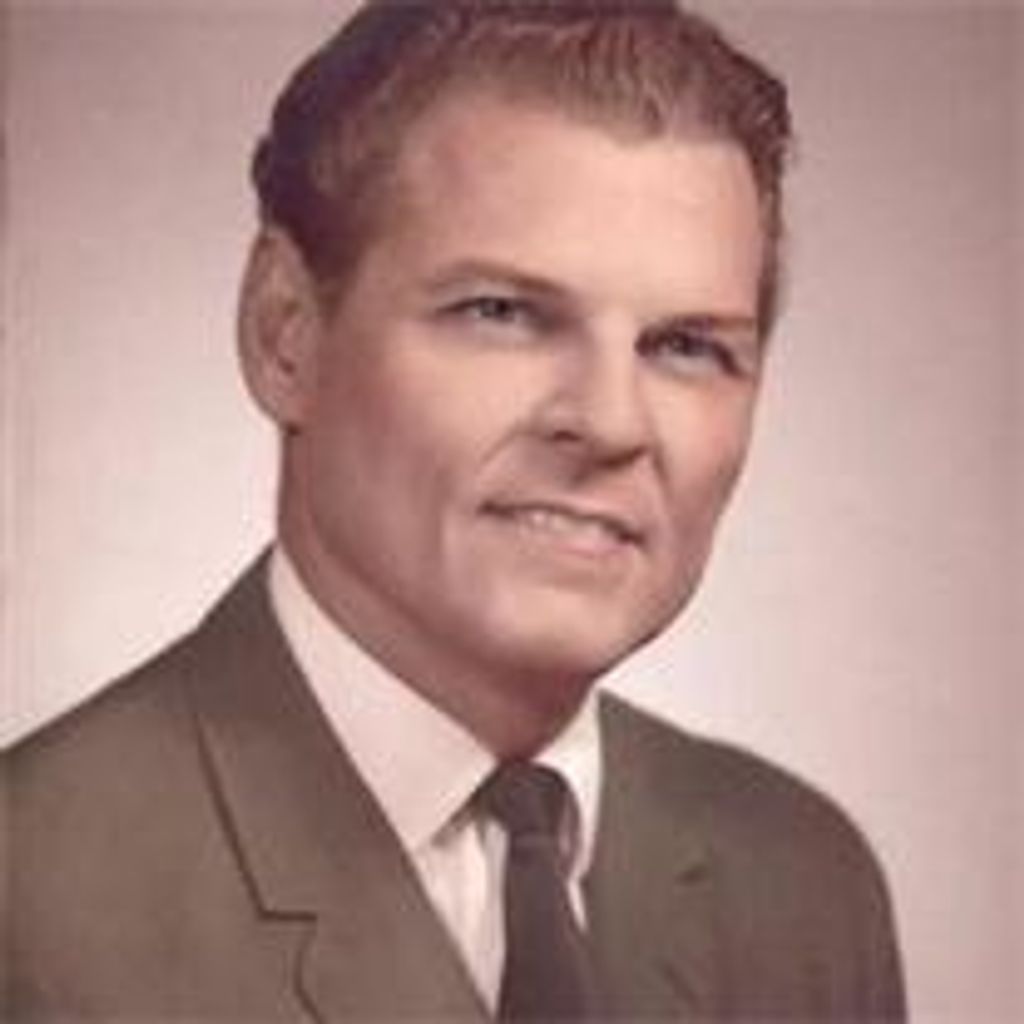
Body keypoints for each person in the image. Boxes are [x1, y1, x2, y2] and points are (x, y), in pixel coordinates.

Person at [4, 1, 906, 1020]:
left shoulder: (803, 888)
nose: (612, 423)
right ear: (285, 335)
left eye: (686, 346)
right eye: (502, 313)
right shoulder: (31, 907)